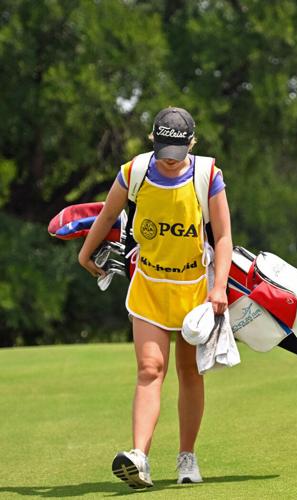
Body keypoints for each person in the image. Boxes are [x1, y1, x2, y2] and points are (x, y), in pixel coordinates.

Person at [78, 107, 233, 489]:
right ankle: (139, 458)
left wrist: (219, 287)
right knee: (150, 369)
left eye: (175, 152)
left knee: (189, 374)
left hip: (194, 291)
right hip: (148, 284)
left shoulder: (207, 175)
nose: (168, 159)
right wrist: (86, 252)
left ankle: (187, 458)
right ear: (152, 139)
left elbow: (224, 236)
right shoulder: (133, 172)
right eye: (163, 149)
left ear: (190, 145)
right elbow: (107, 214)